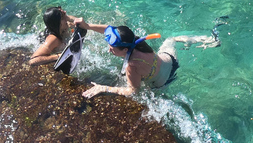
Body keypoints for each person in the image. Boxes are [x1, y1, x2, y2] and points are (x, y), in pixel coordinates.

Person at [80, 25, 219, 98]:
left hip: (163, 83)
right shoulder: (137, 41)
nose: (109, 49)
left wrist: (103, 88)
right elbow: (107, 29)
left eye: (113, 48)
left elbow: (133, 91)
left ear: (124, 50)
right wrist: (88, 26)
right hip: (171, 60)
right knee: (171, 39)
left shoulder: (131, 66)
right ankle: (208, 40)